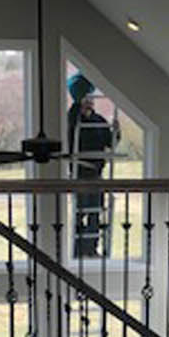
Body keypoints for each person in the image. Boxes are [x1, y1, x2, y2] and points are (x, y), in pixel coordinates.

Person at [66, 74, 117, 258]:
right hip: (79, 174)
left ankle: (91, 249)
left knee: (96, 212)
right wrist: (78, 106)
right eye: (86, 99)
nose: (90, 102)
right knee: (80, 212)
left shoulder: (99, 120)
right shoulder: (73, 119)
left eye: (91, 99)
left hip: (96, 174)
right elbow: (71, 127)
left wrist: (115, 133)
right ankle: (78, 250)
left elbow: (109, 142)